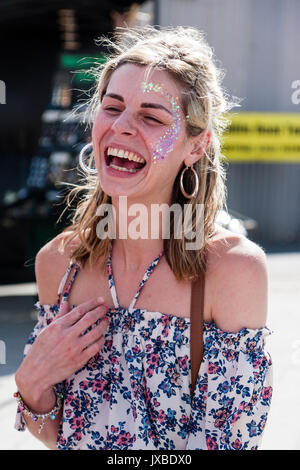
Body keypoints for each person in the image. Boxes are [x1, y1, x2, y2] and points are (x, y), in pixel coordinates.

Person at [14, 25, 273, 450]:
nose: (122, 127)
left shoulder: (230, 270)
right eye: (112, 107)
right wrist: (31, 382)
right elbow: (60, 436)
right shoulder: (58, 264)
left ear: (196, 146)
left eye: (152, 117)